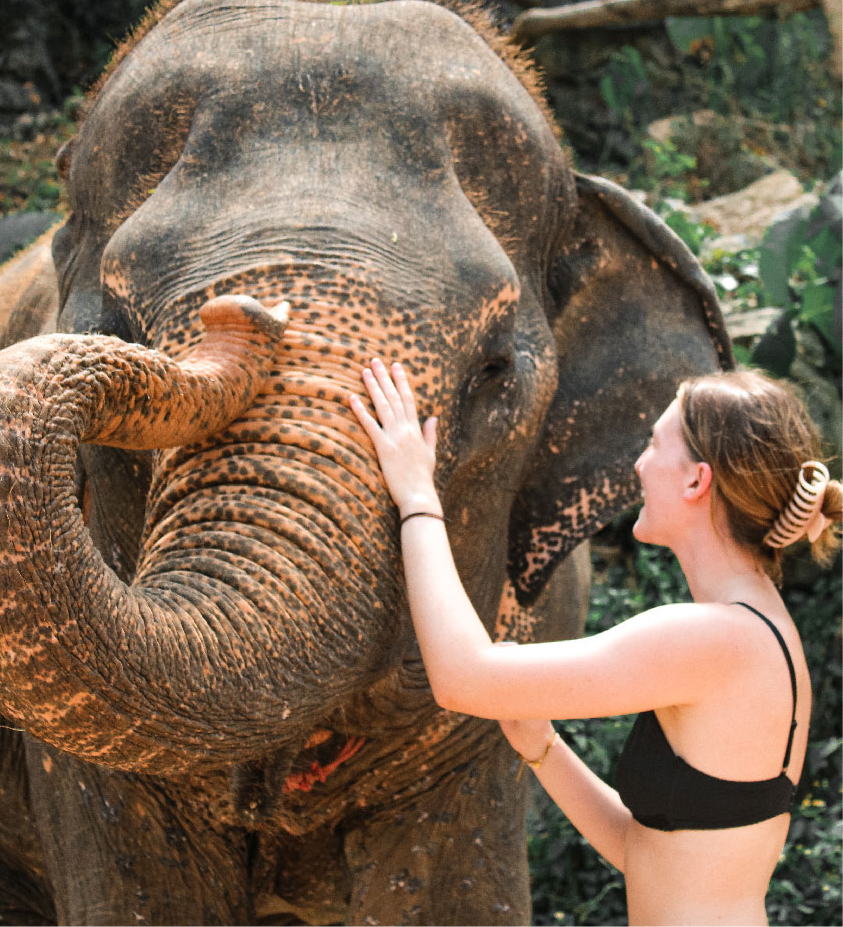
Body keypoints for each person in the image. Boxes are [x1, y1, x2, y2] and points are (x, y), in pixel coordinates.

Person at [349, 360, 841, 926]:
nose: (638, 463)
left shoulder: (712, 638)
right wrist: (542, 747)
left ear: (695, 481)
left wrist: (417, 496)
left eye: (654, 444)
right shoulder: (764, 632)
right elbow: (647, 855)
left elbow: (463, 678)